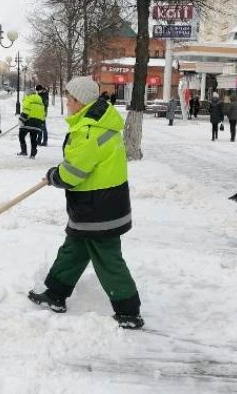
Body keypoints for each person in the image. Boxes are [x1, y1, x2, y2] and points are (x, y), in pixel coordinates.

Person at [28, 76, 143, 330]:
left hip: (98, 207)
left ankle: (128, 310)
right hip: (99, 204)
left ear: (80, 101)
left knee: (107, 259)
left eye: (70, 98)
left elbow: (75, 172)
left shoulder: (91, 129)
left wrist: (55, 176)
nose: (67, 102)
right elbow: (83, 162)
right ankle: (55, 294)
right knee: (74, 249)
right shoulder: (98, 123)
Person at [17, 90, 46, 159]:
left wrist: (21, 119)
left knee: (21, 135)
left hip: (28, 122)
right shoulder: (40, 102)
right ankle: (33, 154)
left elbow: (26, 110)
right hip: (37, 123)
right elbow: (43, 114)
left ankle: (24, 151)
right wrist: (41, 122)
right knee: (33, 138)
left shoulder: (28, 99)